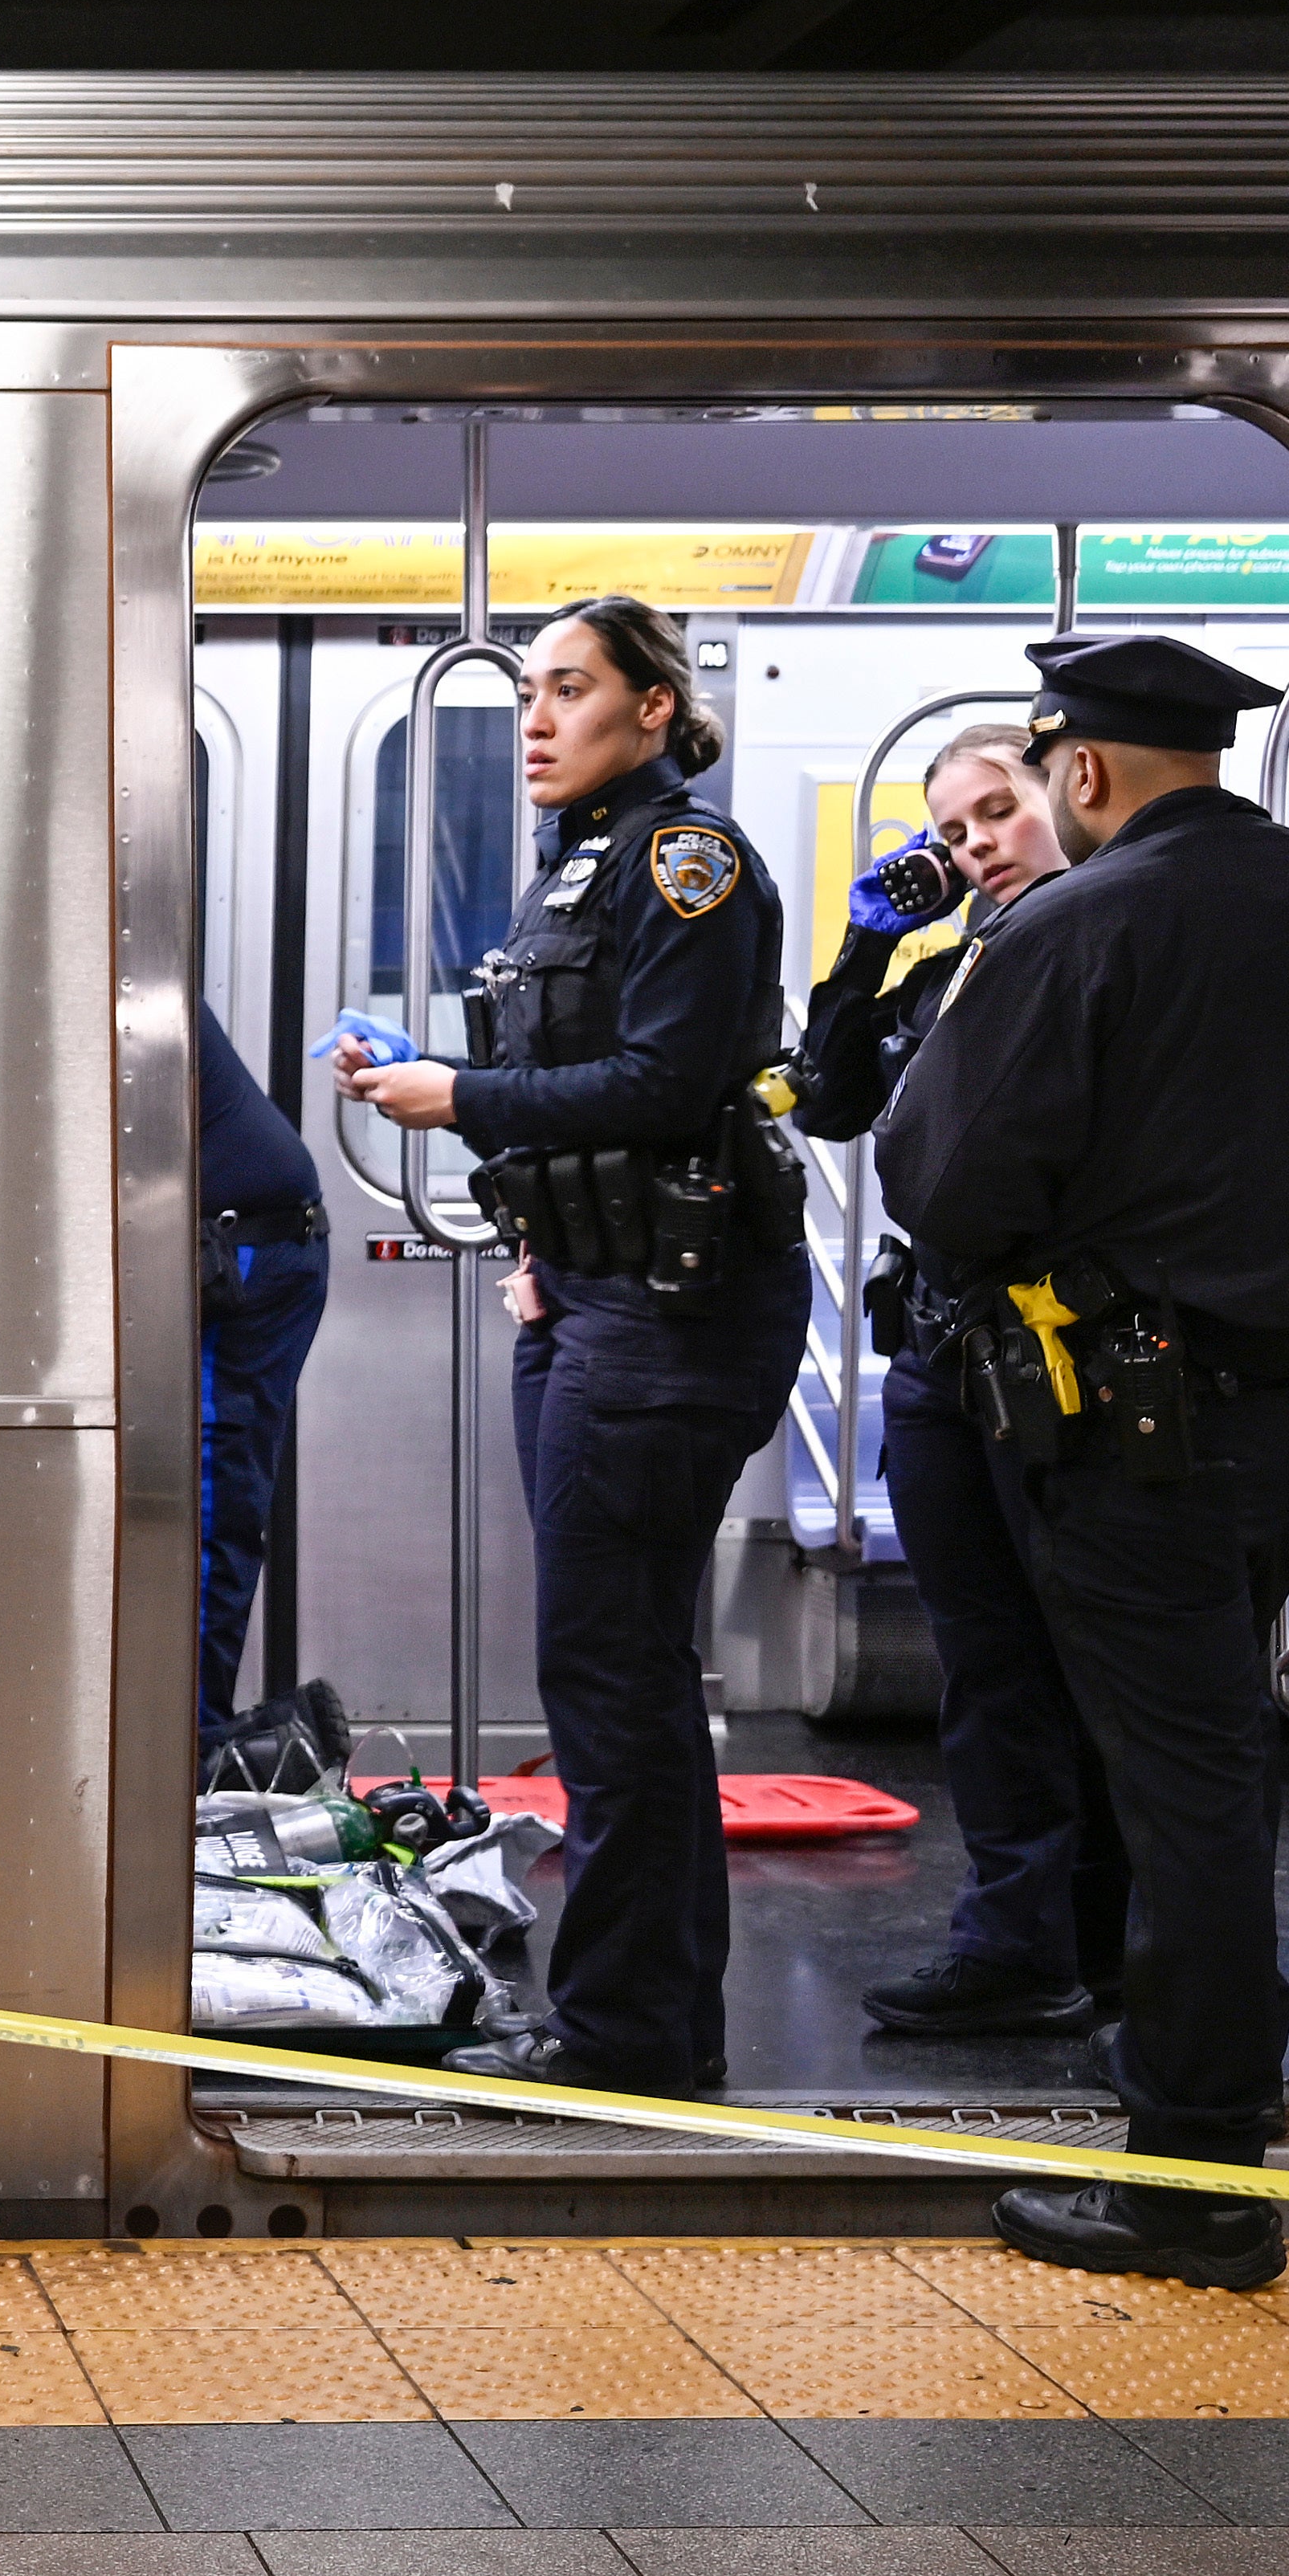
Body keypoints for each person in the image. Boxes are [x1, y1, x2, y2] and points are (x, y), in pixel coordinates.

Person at [877, 632, 1289, 2292]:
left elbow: (944, 1177)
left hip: (1134, 1418)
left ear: (1079, 769)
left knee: (1184, 1773)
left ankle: (1192, 2174)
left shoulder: (1076, 920)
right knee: (1206, 1749)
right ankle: (1209, 2107)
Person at [337, 597, 805, 2101]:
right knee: (615, 1676)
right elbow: (587, 1081)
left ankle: (626, 2040)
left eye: (568, 689)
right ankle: (646, 2024)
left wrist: (454, 1102)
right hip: (596, 1300)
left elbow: (669, 1086)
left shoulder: (686, 863)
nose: (533, 718)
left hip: (669, 1320)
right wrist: (512, 1187)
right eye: (525, 692)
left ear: (653, 709)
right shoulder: (579, 870)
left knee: (611, 1682)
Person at [785, 725, 1127, 2046]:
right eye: (951, 831)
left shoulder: (1103, 951)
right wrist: (866, 946)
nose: (976, 843)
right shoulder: (944, 972)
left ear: (1068, 797)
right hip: (940, 1357)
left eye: (998, 811)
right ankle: (1014, 1939)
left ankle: (1101, 1939)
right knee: (984, 1663)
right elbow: (824, 1100)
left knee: (1085, 1655)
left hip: (1063, 1360)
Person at [190, 1002, 332, 1771]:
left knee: (209, 1506)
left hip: (244, 1254)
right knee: (213, 1502)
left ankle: (194, 1749)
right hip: (248, 1240)